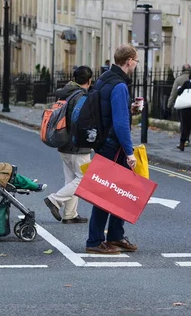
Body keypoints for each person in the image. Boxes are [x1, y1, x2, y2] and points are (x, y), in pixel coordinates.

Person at [86, 45, 140, 255]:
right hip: (113, 146)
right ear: (129, 61)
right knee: (107, 193)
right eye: (136, 60)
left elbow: (108, 110)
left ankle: (115, 236)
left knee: (120, 193)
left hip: (103, 142)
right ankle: (95, 240)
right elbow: (120, 123)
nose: (136, 64)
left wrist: (128, 108)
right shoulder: (119, 86)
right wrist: (129, 152)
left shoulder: (104, 79)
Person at [44, 66, 93, 224]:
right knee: (84, 179)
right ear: (89, 81)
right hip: (77, 145)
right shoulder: (81, 96)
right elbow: (81, 121)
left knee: (71, 179)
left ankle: (70, 214)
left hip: (63, 142)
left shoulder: (65, 93)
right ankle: (55, 200)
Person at [168, 64, 191, 148]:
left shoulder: (178, 79)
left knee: (183, 123)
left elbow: (173, 93)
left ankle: (184, 140)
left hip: (181, 104)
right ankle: (189, 139)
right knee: (190, 123)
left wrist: (170, 104)